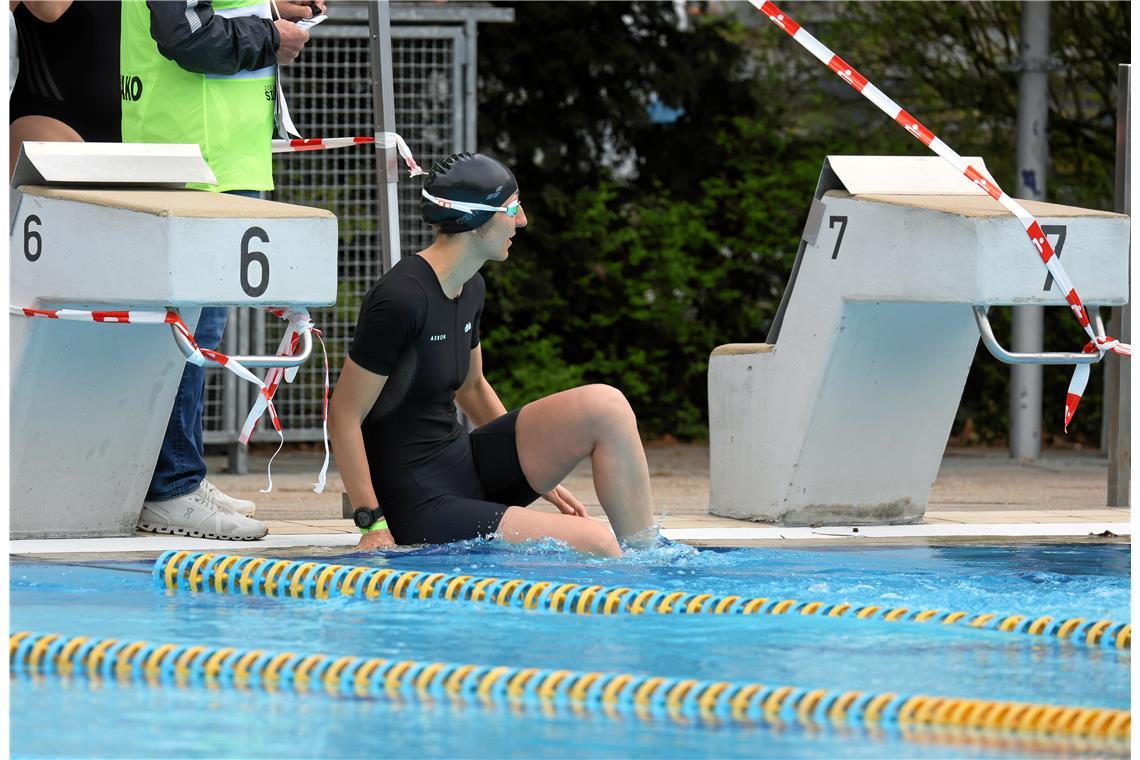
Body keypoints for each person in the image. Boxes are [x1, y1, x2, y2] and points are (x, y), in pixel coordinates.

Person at [329, 153, 658, 557]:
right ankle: (630, 590)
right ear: (475, 219)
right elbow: (343, 415)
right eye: (513, 207)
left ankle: (650, 560)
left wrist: (537, 471)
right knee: (596, 542)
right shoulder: (400, 299)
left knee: (608, 405)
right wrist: (372, 521)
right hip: (419, 504)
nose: (522, 221)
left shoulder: (471, 287)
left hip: (461, 465)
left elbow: (473, 388)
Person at [123, 0, 320, 541]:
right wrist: (270, 36)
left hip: (220, 155)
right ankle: (169, 487)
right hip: (186, 153)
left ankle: (179, 476)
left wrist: (276, 10)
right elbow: (186, 35)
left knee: (202, 333)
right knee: (183, 335)